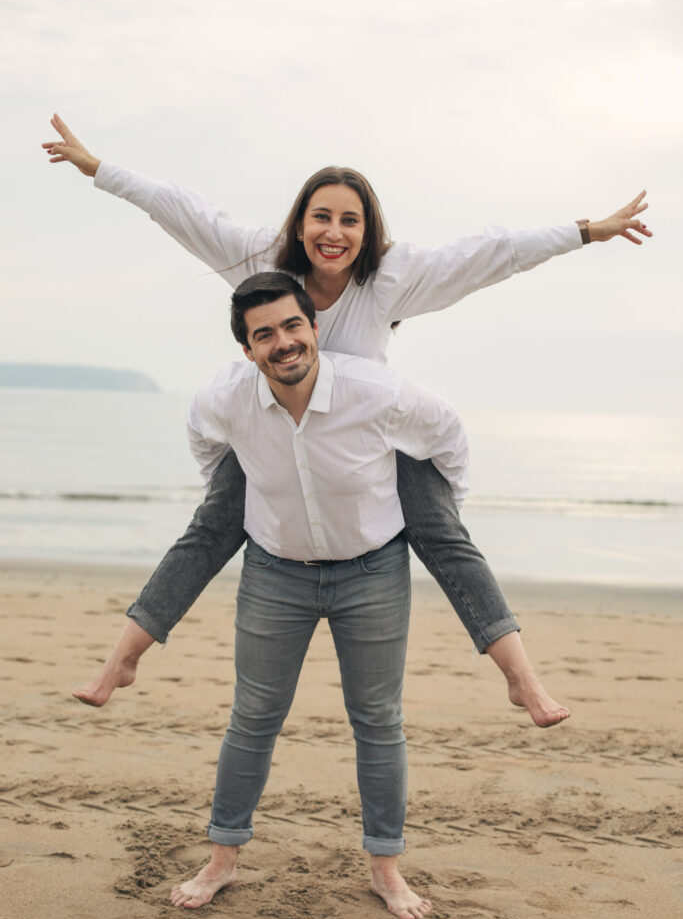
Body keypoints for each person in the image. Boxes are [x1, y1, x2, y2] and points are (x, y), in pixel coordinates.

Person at [43, 114, 650, 726]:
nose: (334, 232)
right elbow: (179, 209)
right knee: (211, 525)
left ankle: (523, 682)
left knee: (443, 533)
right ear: (300, 224)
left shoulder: (392, 278)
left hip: (372, 434)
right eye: (322, 217)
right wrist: (100, 169)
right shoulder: (260, 260)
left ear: (368, 230)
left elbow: (493, 253)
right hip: (277, 426)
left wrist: (588, 231)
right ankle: (121, 661)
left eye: (350, 220)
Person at [171, 271, 471, 919]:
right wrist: (240, 494)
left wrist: (434, 511)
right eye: (263, 334)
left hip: (373, 570)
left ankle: (385, 870)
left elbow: (447, 436)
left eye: (292, 325)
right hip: (275, 571)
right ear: (247, 350)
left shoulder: (374, 391)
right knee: (252, 717)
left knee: (377, 721)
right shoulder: (227, 398)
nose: (281, 341)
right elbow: (204, 441)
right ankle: (222, 859)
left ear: (313, 327)